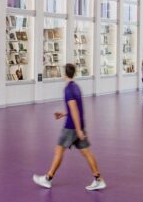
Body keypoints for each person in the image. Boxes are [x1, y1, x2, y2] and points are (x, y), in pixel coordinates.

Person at [33, 63, 106, 191]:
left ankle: (48, 178)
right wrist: (63, 114)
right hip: (78, 125)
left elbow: (75, 110)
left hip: (71, 127)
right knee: (87, 152)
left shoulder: (67, 89)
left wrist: (77, 130)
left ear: (64, 74)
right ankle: (98, 179)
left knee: (59, 151)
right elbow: (74, 108)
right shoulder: (76, 87)